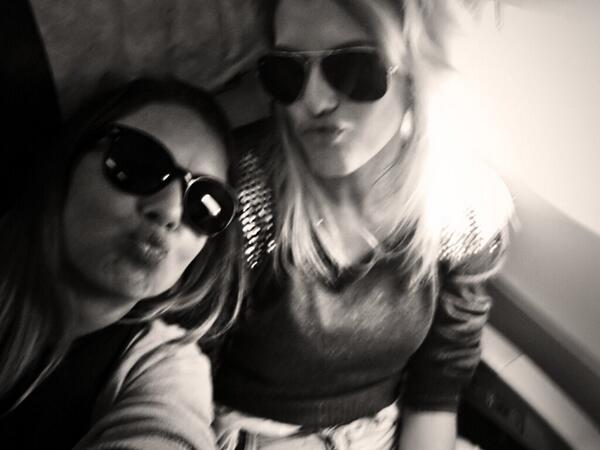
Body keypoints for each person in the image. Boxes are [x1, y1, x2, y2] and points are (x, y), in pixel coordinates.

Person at [213, 0, 513, 449]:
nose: (313, 101)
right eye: (287, 72)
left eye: (353, 68)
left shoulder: (464, 211)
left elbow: (435, 393)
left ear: (414, 72)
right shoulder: (240, 200)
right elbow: (175, 366)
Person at [0, 78, 242, 450]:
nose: (170, 211)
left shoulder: (167, 368)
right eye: (139, 164)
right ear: (68, 163)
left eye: (205, 203)